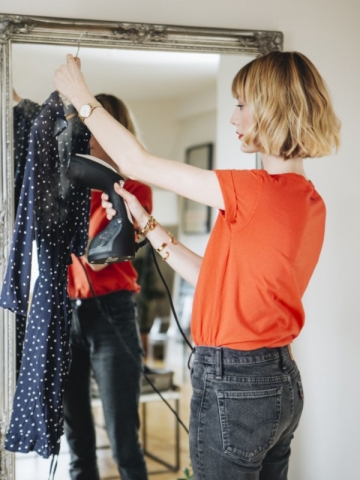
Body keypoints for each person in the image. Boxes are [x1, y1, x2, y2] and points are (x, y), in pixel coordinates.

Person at [55, 51, 341, 480]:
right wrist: (148, 225)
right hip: (279, 380)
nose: (234, 118)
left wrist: (79, 94)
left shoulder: (253, 191)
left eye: (242, 105)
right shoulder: (308, 200)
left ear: (272, 110)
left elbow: (137, 164)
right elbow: (215, 279)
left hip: (236, 384)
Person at [64, 94, 151, 480]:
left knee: (122, 442)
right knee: (77, 440)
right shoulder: (64, 185)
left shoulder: (133, 189)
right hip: (64, 312)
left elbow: (106, 252)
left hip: (112, 312)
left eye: (93, 127)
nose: (84, 135)